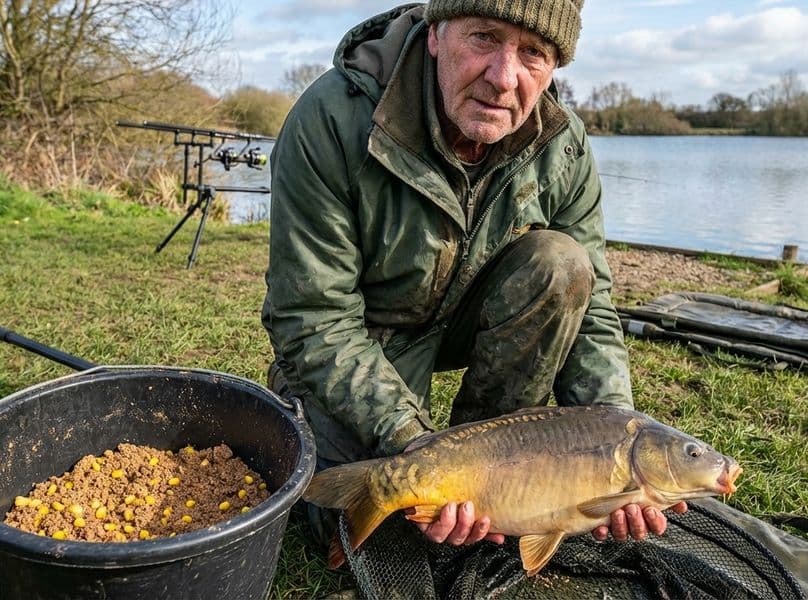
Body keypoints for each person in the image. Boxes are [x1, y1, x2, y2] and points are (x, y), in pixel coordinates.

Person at [261, 0, 687, 556]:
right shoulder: (332, 118)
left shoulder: (564, 144)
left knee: (562, 263)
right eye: (485, 37)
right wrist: (427, 453)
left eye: (533, 52)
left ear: (555, 66)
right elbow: (312, 317)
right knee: (359, 530)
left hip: (470, 321)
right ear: (435, 34)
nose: (503, 77)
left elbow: (594, 309)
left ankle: (499, 483)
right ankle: (453, 476)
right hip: (364, 336)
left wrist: (616, 435)